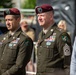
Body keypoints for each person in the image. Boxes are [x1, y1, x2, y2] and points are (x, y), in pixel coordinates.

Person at [35, 4, 72, 75]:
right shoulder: (41, 34)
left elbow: (67, 64)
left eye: (42, 15)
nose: (39, 18)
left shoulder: (61, 35)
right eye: (38, 16)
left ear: (51, 16)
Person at [0, 8, 33, 75]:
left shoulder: (24, 39)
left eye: (10, 20)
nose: (7, 23)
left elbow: (19, 65)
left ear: (18, 20)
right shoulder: (3, 37)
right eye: (6, 20)